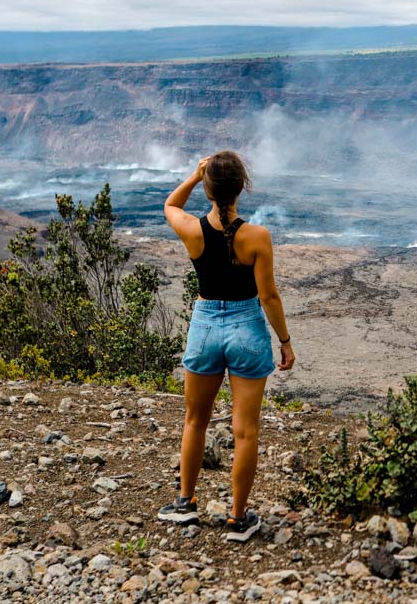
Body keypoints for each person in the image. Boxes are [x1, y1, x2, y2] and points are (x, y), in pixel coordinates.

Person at [157, 150, 295, 542]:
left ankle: (185, 505)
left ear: (208, 188)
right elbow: (269, 296)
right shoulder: (258, 236)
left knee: (195, 420)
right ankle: (237, 519)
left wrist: (194, 175)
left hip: (204, 329)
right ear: (242, 188)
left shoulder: (193, 230)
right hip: (247, 330)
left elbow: (170, 204)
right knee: (245, 431)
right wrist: (284, 341)